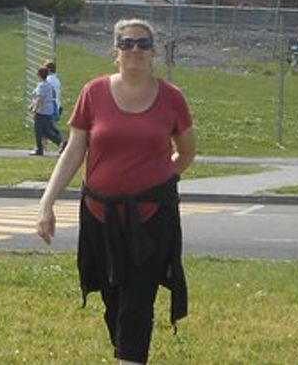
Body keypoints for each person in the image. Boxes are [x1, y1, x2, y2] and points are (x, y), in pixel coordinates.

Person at [36, 19, 196, 365]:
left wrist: (160, 179)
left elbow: (185, 153)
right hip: (99, 215)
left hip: (151, 220)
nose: (135, 50)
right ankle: (126, 353)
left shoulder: (172, 98)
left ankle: (130, 358)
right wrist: (47, 202)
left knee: (137, 301)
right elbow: (75, 151)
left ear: (154, 52)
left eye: (143, 43)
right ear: (115, 52)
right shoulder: (93, 93)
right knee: (113, 299)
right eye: (127, 44)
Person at [30, 66, 64, 156]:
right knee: (47, 131)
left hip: (42, 111)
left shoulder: (42, 86)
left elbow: (40, 98)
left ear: (40, 75)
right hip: (48, 110)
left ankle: (39, 149)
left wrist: (34, 109)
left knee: (38, 130)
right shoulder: (48, 85)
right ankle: (60, 142)